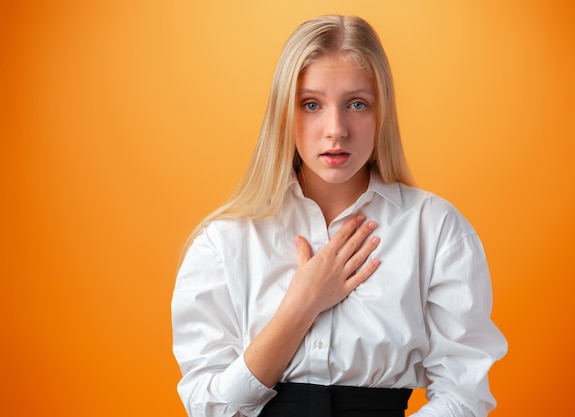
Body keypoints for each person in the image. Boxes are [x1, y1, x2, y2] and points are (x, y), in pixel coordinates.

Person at [172, 14, 507, 417]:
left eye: (357, 104)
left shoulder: (435, 230)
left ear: (381, 112)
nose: (336, 129)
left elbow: (464, 395)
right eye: (311, 104)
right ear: (284, 112)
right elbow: (208, 407)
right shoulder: (224, 242)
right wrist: (301, 305)